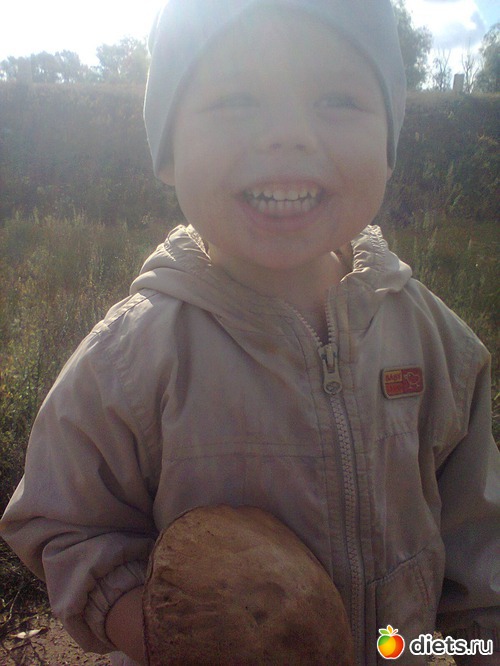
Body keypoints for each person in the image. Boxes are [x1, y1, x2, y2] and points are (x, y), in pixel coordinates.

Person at [1, 1, 498, 664]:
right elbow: (64, 523)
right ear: (168, 152)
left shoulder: (438, 345)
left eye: (337, 99)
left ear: (388, 146)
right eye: (236, 99)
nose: (287, 135)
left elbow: (481, 556)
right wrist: (148, 627)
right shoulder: (129, 359)